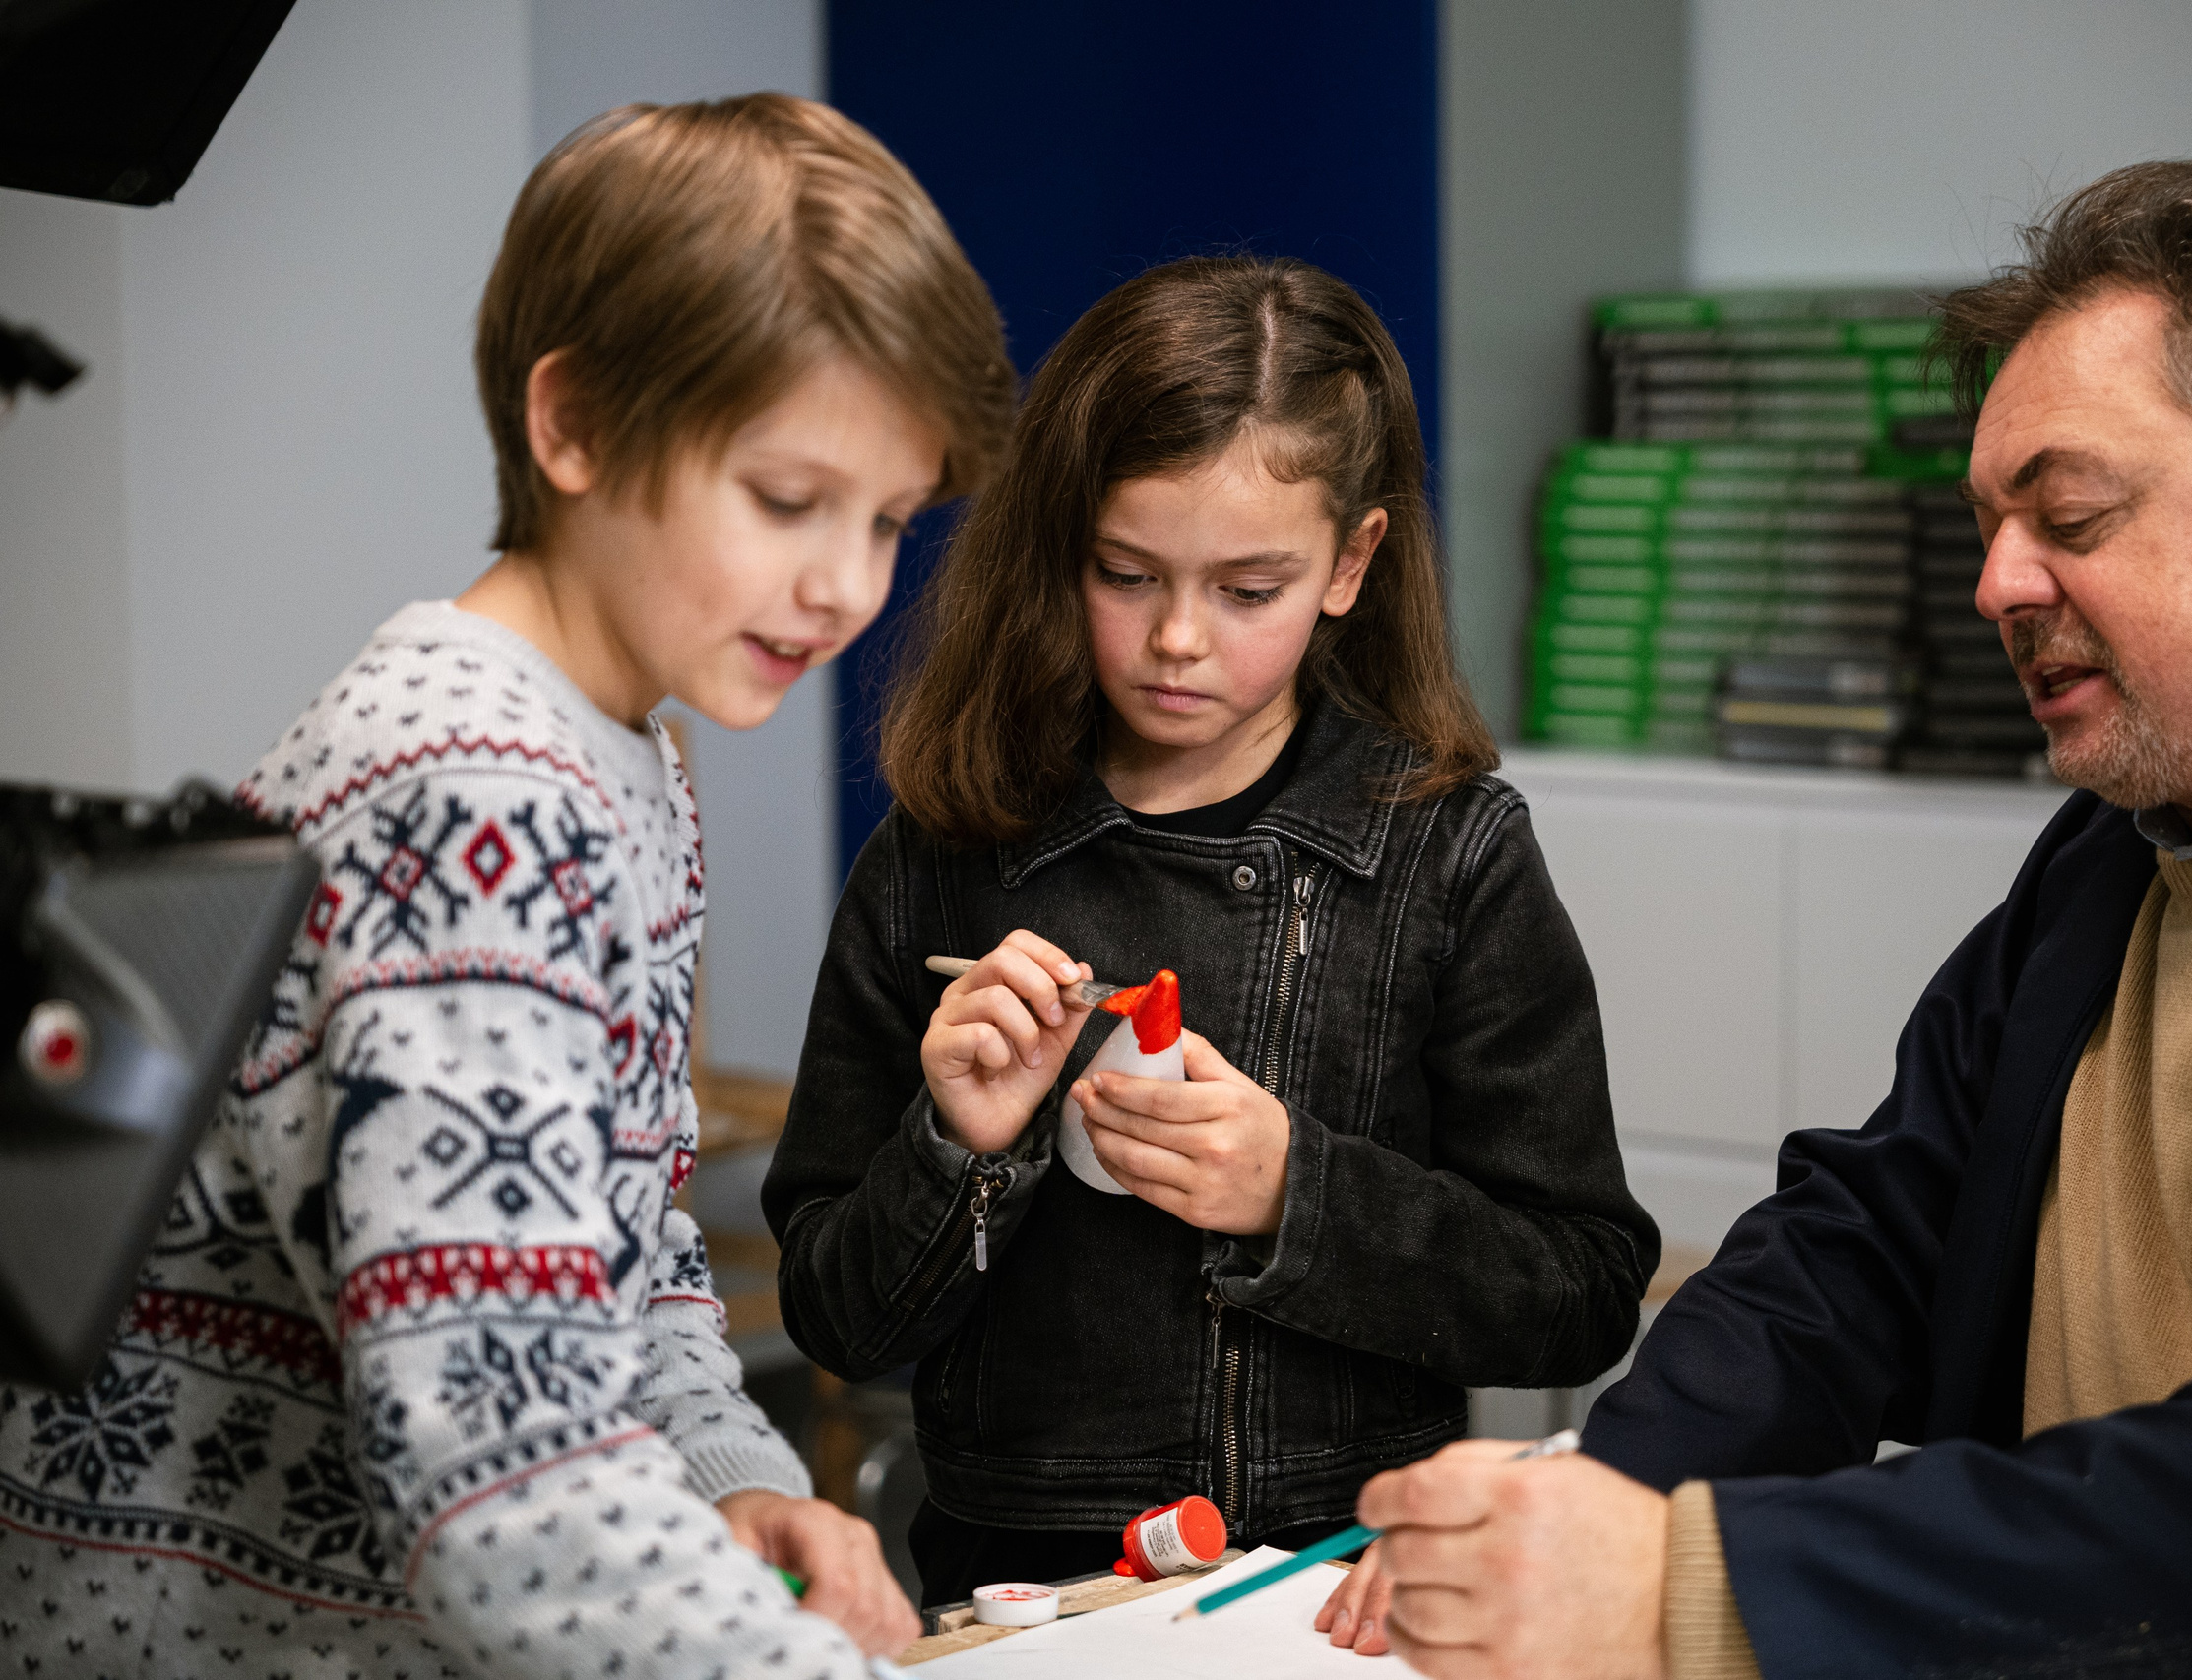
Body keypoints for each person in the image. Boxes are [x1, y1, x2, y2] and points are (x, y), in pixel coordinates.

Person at [1318, 159, 2192, 1678]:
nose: (1996, 583)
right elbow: (1869, 1235)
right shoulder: (2118, 846)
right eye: (1989, 523)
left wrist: (1694, 1584)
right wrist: (1601, 1503)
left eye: (2070, 513)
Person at [0, 95, 1014, 1680]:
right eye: (786, 499)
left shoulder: (627, 757)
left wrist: (736, 1485)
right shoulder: (477, 784)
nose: (847, 586)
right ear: (577, 426)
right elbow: (506, 1481)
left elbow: (623, 1234)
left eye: (887, 521)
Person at [763, 255, 1660, 1614]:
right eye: (1127, 574)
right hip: (1021, 1593)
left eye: (1250, 590)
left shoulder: (1447, 850)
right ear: (1065, 543)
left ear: (1351, 563)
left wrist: (1299, 1196)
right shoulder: (944, 855)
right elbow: (839, 1320)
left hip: (1337, 1586)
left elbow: (1582, 1290)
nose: (1178, 639)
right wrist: (959, 1149)